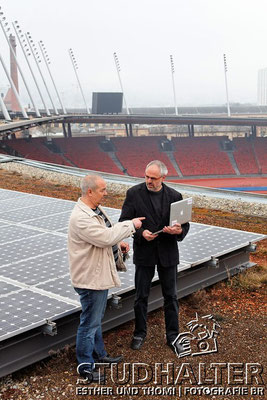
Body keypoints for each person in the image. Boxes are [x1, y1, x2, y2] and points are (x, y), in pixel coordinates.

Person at [68, 174, 144, 381]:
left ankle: (99, 355)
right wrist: (131, 225)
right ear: (90, 191)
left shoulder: (94, 211)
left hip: (96, 274)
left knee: (95, 319)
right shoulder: (81, 217)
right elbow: (104, 237)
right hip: (90, 279)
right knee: (89, 323)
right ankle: (85, 369)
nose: (106, 193)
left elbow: (104, 236)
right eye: (102, 190)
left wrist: (117, 244)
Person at [119, 160, 190, 353]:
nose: (148, 180)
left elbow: (185, 225)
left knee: (171, 296)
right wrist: (141, 234)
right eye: (146, 176)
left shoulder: (175, 196)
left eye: (153, 178)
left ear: (163, 178)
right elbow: (124, 221)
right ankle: (139, 333)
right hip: (144, 253)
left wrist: (178, 231)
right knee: (141, 296)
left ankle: (173, 336)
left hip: (168, 254)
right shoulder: (133, 193)